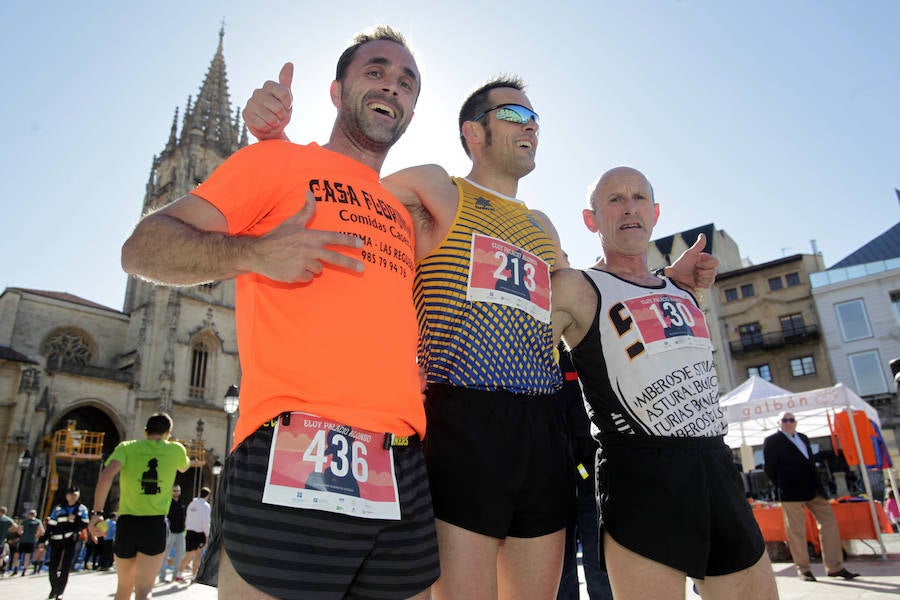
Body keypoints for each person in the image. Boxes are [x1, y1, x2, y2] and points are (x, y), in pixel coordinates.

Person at [245, 64, 714, 600]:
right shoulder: (434, 188)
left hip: (543, 425)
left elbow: (589, 305)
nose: (530, 126)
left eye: (534, 117)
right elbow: (342, 199)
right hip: (461, 416)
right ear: (474, 132)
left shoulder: (543, 225)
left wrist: (660, 284)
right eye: (514, 114)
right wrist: (275, 145)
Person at [121, 26, 439, 600]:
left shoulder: (402, 206)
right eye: (375, 71)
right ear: (337, 91)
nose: (392, 85)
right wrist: (255, 253)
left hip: (399, 467)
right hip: (291, 449)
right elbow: (142, 248)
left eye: (406, 81)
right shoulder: (274, 163)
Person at [549, 166, 776, 599]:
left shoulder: (683, 288)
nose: (628, 207)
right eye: (614, 200)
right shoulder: (577, 287)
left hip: (714, 464)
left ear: (654, 213)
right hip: (640, 472)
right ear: (590, 219)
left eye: (638, 198)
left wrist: (675, 280)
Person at [89, 413, 190, 600]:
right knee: (143, 591)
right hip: (155, 526)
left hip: (127, 524)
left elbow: (106, 476)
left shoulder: (126, 448)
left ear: (145, 432)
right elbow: (184, 467)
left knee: (123, 588)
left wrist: (97, 513)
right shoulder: (176, 450)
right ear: (168, 432)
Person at [763, 411, 860, 582]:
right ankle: (804, 569)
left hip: (813, 489)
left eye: (791, 419)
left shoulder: (803, 437)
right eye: (784, 420)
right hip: (791, 491)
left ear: (796, 422)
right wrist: (780, 486)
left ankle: (835, 566)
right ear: (779, 423)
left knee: (829, 524)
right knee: (796, 531)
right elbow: (770, 468)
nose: (788, 423)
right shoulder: (773, 441)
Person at [555, 345, 612, 600]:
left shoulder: (583, 350)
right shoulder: (537, 354)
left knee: (599, 568)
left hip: (591, 479)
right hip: (551, 481)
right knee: (560, 575)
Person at [46, 486, 89, 599]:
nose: (73, 497)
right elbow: (51, 524)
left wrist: (76, 519)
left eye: (75, 495)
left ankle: (60, 591)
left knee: (66, 566)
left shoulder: (81, 509)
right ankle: (54, 587)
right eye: (71, 495)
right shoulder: (59, 508)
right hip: (56, 539)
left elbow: (85, 523)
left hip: (71, 539)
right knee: (53, 567)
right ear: (67, 495)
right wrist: (44, 538)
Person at [180, 486, 211, 581]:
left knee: (188, 554)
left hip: (189, 531)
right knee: (197, 556)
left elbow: (187, 518)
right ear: (208, 496)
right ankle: (194, 576)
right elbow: (205, 522)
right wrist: (207, 535)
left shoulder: (191, 504)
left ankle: (178, 574)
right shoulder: (206, 506)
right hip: (199, 533)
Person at [158, 484, 186, 583]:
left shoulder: (182, 503)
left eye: (178, 490)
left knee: (181, 554)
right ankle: (162, 576)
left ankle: (175, 576)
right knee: (165, 554)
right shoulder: (168, 502)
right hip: (170, 532)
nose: (176, 492)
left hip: (180, 532)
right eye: (174, 490)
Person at [13, 509, 44, 577]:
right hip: (31, 540)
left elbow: (19, 530)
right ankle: (24, 570)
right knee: (27, 555)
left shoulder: (24, 521)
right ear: (35, 515)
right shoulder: (38, 522)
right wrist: (36, 535)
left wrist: (22, 534)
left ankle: (15, 569)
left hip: (23, 540)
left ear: (29, 514)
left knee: (17, 555)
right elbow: (42, 531)